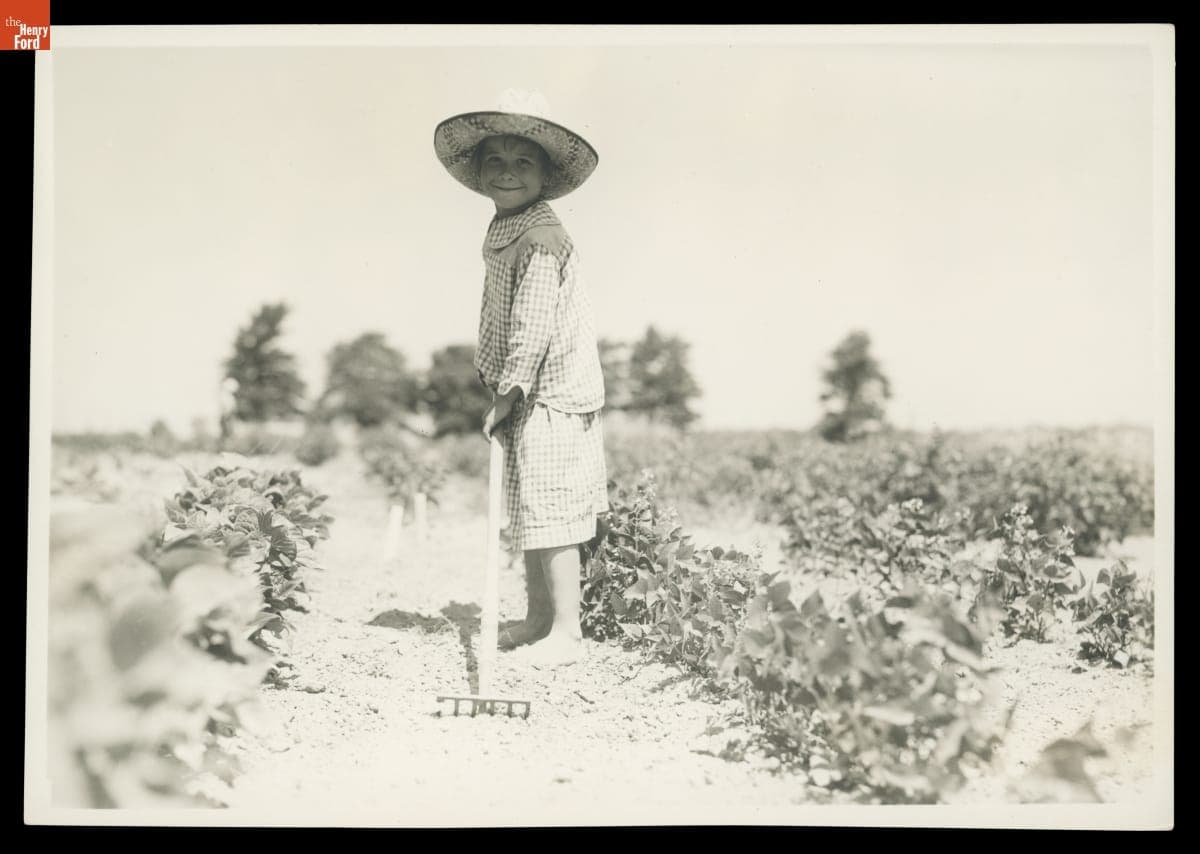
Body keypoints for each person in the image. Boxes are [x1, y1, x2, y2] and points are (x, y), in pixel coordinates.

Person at [433, 90, 608, 667]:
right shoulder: (508, 223)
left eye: (523, 162)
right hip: (532, 390)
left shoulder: (540, 236)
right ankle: (538, 619)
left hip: (551, 391)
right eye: (496, 162)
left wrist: (508, 393)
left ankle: (568, 634)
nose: (507, 174)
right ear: (479, 171)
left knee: (554, 512)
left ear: (547, 174)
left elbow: (532, 325)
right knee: (531, 507)